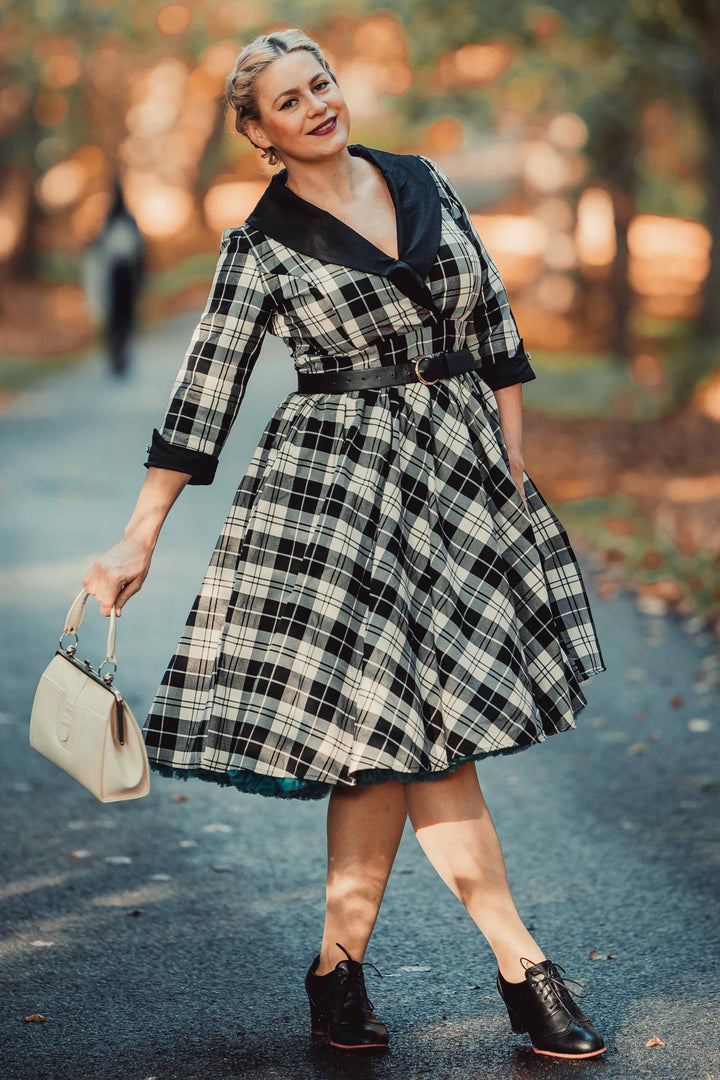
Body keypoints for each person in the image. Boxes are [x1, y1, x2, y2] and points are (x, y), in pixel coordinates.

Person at [83, 28, 608, 1060]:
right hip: (338, 498)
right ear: (258, 133)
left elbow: (497, 337)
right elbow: (202, 400)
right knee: (428, 737)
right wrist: (138, 535)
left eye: (321, 83)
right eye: (288, 101)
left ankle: (336, 974)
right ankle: (522, 966)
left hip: (457, 486)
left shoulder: (424, 181)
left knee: (381, 753)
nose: (318, 105)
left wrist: (509, 475)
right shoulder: (262, 243)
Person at [81, 177, 146, 377]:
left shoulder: (113, 223)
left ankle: (119, 357)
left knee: (119, 320)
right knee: (119, 320)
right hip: (118, 279)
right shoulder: (117, 222)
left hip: (120, 279)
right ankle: (117, 357)